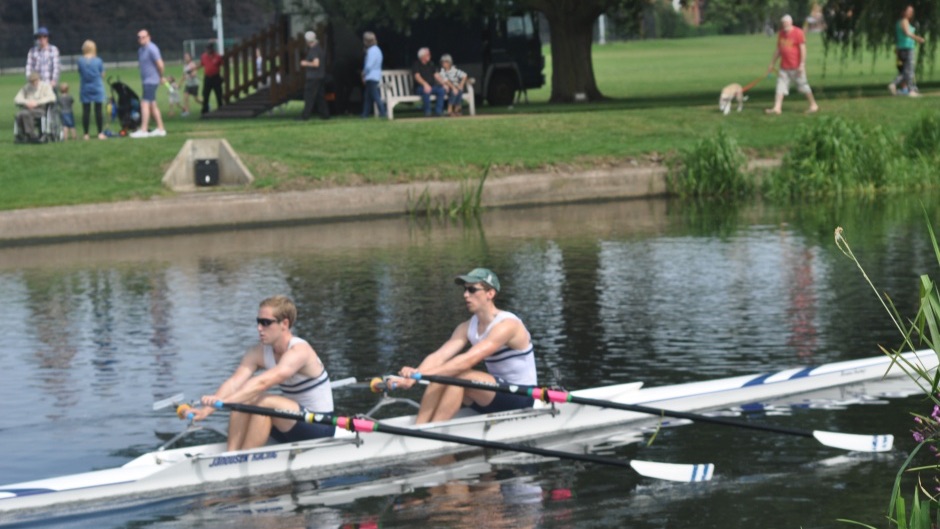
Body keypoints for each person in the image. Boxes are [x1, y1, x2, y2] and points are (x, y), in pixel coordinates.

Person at [187, 296, 336, 450]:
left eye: (266, 323)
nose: (259, 328)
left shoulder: (299, 351)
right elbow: (234, 383)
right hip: (290, 425)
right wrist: (206, 410)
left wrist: (224, 403)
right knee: (245, 398)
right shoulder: (257, 352)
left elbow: (262, 383)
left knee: (263, 401)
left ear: (284, 324)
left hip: (320, 427)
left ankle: (243, 458)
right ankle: (230, 455)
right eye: (258, 321)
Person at [397, 268, 537, 424]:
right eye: (465, 290)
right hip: (493, 396)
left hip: (521, 397)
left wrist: (420, 375)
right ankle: (419, 428)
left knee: (460, 374)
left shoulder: (508, 325)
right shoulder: (466, 327)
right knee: (443, 374)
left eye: (472, 290)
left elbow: (468, 360)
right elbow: (439, 356)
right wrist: (415, 375)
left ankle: (433, 432)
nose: (465, 295)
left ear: (490, 293)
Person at [766, 14, 818, 115]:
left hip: (796, 66)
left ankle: (813, 105)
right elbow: (779, 50)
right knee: (780, 86)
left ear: (790, 22)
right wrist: (772, 63)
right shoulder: (781, 34)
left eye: (785, 23)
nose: (784, 25)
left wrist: (802, 64)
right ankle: (777, 108)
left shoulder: (798, 32)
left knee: (803, 86)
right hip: (784, 67)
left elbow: (803, 49)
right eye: (783, 23)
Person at [131, 29, 167, 138]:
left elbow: (160, 64)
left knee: (144, 104)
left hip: (151, 81)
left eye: (143, 37)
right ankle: (161, 129)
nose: (141, 39)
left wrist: (160, 77)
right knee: (152, 105)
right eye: (139, 37)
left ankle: (144, 130)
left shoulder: (152, 49)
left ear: (148, 37)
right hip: (146, 80)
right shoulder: (141, 50)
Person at [889, 5, 925, 98]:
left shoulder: (899, 22)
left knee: (906, 70)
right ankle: (909, 90)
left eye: (911, 11)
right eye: (908, 11)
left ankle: (902, 87)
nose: (910, 13)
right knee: (909, 71)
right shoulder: (904, 21)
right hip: (907, 48)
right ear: (903, 12)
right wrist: (918, 38)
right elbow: (907, 33)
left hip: (901, 48)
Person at [14, 72, 56, 143]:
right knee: (20, 114)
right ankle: (25, 135)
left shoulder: (45, 86)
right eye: (32, 81)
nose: (34, 83)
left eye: (35, 81)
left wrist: (37, 102)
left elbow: (52, 97)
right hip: (27, 108)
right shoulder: (26, 87)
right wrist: (27, 102)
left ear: (38, 80)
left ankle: (30, 135)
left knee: (24, 114)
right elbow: (17, 98)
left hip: (40, 109)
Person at [77, 40, 107, 140]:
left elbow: (80, 72)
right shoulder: (98, 60)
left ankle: (86, 134)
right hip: (97, 87)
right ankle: (100, 133)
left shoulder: (80, 60)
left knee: (86, 111)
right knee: (98, 110)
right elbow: (102, 74)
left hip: (85, 87)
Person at [299, 31, 329, 121]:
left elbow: (316, 64)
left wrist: (305, 63)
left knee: (309, 96)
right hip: (320, 76)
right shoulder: (319, 48)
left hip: (313, 77)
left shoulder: (314, 50)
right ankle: (325, 115)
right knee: (320, 97)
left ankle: (305, 116)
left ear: (308, 41)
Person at [412, 47, 446, 117]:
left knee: (441, 90)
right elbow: (417, 77)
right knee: (426, 90)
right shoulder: (416, 64)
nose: (430, 55)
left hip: (431, 87)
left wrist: (444, 83)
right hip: (420, 87)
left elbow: (436, 75)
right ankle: (428, 112)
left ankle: (438, 112)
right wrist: (425, 84)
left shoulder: (430, 64)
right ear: (422, 56)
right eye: (428, 54)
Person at [361, 31, 386, 118]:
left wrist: (364, 73)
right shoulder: (378, 50)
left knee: (375, 96)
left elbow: (369, 65)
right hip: (376, 75)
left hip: (371, 76)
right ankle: (365, 114)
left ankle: (383, 113)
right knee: (367, 96)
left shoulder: (371, 51)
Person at [201, 42, 224, 115]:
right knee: (205, 94)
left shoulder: (217, 56)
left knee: (218, 93)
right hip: (207, 77)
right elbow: (202, 64)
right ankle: (205, 109)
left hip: (216, 77)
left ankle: (220, 108)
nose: (207, 50)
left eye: (209, 49)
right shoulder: (204, 56)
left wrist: (223, 75)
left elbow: (222, 65)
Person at [182, 52, 201, 116]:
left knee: (197, 99)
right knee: (185, 97)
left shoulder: (192, 64)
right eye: (185, 57)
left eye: (187, 56)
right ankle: (187, 111)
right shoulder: (185, 66)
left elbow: (194, 73)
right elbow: (184, 75)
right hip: (188, 84)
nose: (186, 58)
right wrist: (179, 83)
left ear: (190, 58)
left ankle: (206, 104)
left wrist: (189, 75)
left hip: (194, 84)